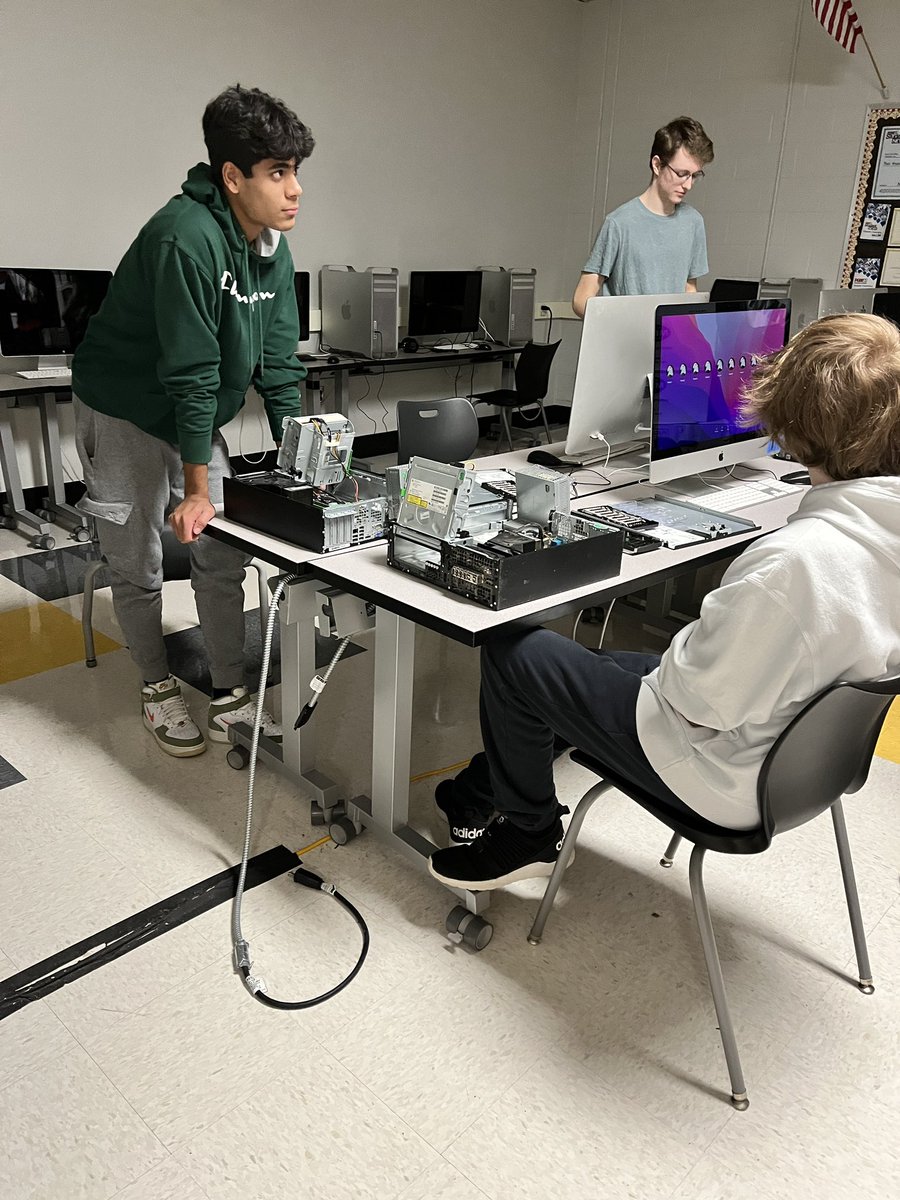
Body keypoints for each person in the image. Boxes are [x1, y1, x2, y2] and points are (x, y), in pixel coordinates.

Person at [430, 312, 900, 890]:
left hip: (720, 769)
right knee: (595, 668)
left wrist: (690, 643)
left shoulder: (793, 564)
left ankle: (529, 837)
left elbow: (695, 698)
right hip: (803, 762)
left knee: (514, 652)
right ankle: (475, 795)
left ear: (797, 427)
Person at [72, 84, 314, 757]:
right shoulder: (184, 237)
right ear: (232, 176)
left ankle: (229, 688)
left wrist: (302, 456)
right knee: (139, 554)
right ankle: (156, 685)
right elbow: (192, 373)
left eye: (295, 172)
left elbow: (278, 362)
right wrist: (198, 488)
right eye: (277, 173)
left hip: (187, 405)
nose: (294, 190)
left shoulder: (270, 247)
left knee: (220, 545)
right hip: (121, 402)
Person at [571, 116, 714, 317]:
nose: (688, 184)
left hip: (669, 345)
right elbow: (581, 299)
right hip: (626, 343)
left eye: (695, 176)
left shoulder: (694, 222)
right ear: (657, 165)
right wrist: (616, 323)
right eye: (682, 174)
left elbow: (689, 289)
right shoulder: (619, 223)